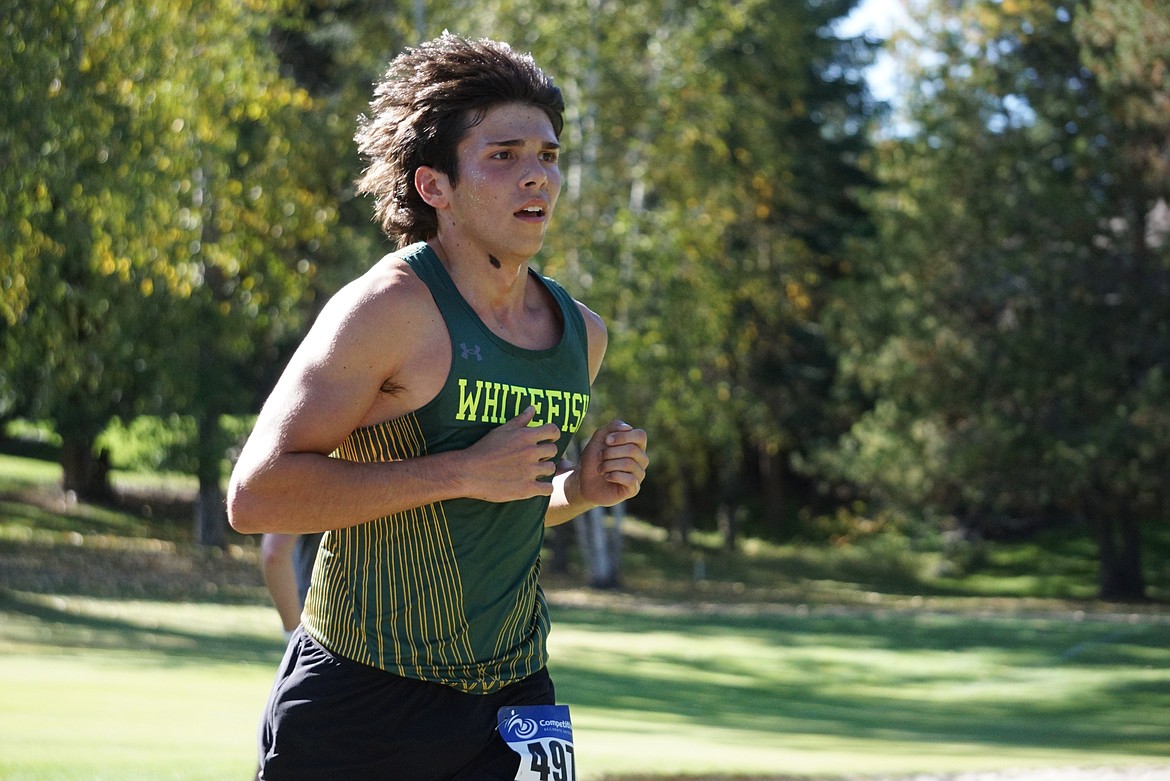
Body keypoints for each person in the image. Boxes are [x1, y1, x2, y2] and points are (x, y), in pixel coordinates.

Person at [227, 33, 649, 781]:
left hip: (518, 703)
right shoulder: (388, 310)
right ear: (434, 187)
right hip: (364, 695)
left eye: (548, 157)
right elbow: (257, 496)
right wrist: (456, 470)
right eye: (504, 155)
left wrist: (579, 489)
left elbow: (506, 498)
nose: (537, 179)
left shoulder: (581, 333)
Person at [258, 532, 322, 638]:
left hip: (320, 629)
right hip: (319, 629)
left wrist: (293, 634)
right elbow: (274, 552)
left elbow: (273, 554)